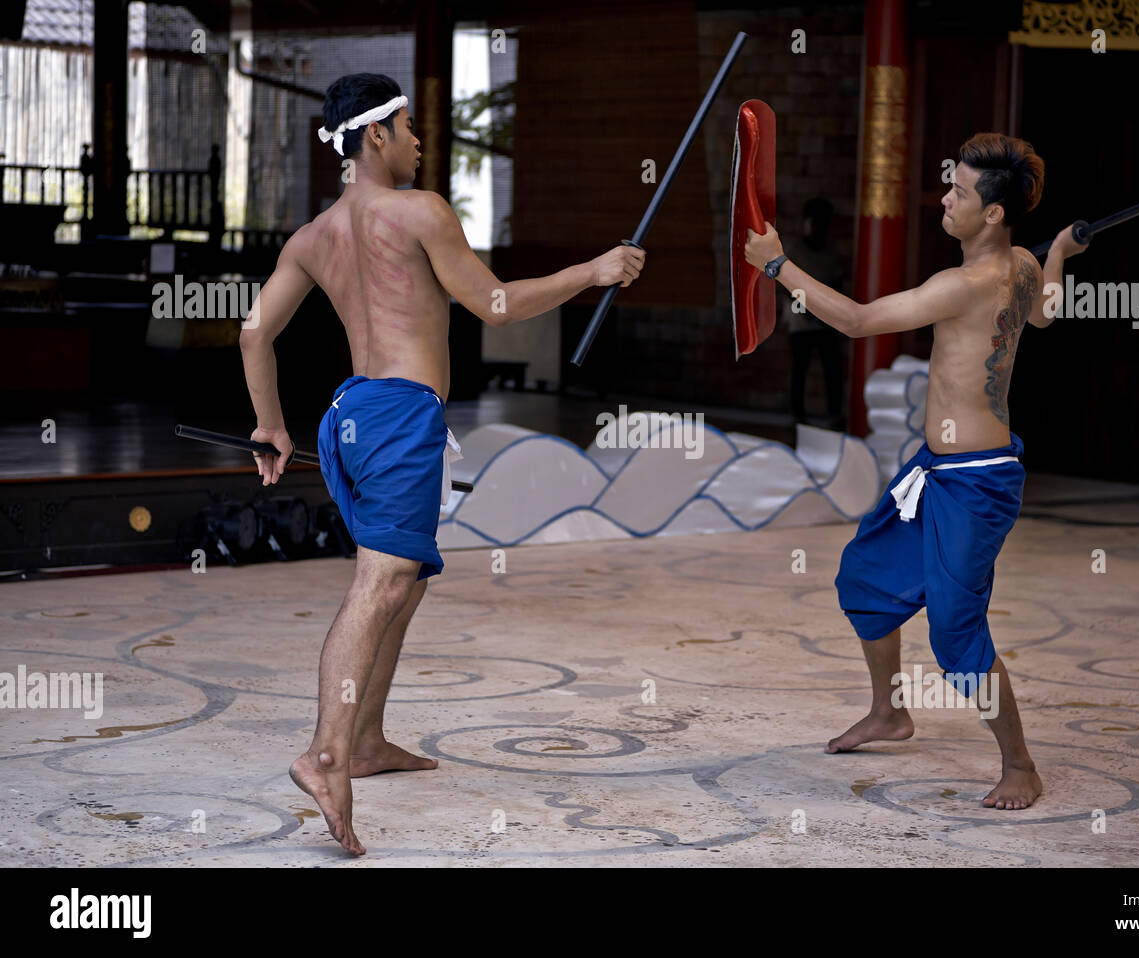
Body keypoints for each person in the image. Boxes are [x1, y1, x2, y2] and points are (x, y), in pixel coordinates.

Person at [238, 73, 645, 854]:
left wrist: (270, 427)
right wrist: (592, 273)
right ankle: (326, 754)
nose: (422, 142)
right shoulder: (418, 211)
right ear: (376, 136)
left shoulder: (314, 234)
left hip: (349, 416)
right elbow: (495, 304)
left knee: (407, 576)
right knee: (381, 580)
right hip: (398, 418)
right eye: (410, 128)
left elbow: (255, 335)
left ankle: (366, 740)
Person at [745, 132, 1089, 810]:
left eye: (958, 191)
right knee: (865, 578)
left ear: (991, 212)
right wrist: (1058, 256)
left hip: (977, 481)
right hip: (936, 470)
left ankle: (1020, 764)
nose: (945, 197)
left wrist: (778, 264)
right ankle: (890, 714)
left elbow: (857, 320)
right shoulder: (1021, 263)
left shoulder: (960, 285)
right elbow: (1046, 314)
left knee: (957, 631)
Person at [783, 197, 847, 428]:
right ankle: (797, 415)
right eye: (815, 223)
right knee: (799, 369)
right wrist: (807, 309)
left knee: (832, 369)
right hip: (800, 321)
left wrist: (830, 311)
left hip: (825, 321)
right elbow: (786, 284)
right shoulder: (795, 251)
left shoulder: (830, 253)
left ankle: (834, 414)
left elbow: (836, 283)